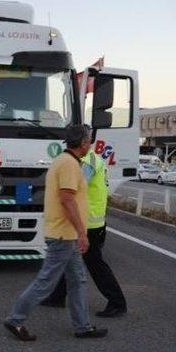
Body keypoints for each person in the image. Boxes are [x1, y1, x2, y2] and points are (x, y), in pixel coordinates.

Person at [4, 125, 108, 341]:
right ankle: (15, 319)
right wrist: (82, 232)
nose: (91, 144)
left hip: (65, 234)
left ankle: (83, 326)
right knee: (46, 281)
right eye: (89, 141)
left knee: (77, 280)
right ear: (83, 144)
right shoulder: (69, 164)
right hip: (63, 234)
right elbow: (67, 199)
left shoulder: (66, 161)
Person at [40, 136, 128, 318]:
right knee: (68, 259)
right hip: (92, 220)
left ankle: (117, 302)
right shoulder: (95, 159)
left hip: (88, 222)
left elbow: (75, 189)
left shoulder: (86, 162)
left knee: (95, 265)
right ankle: (57, 296)